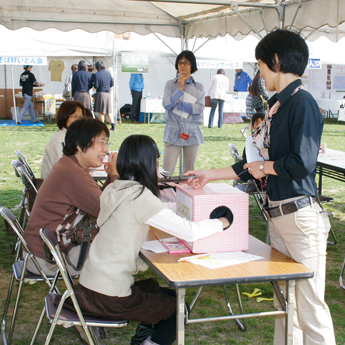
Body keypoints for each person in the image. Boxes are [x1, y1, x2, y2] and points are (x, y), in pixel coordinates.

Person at [185, 29, 335, 345]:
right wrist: (211, 174)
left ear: (276, 61)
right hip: (280, 218)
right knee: (285, 306)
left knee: (308, 310)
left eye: (261, 65)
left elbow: (301, 163)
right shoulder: (278, 106)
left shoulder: (302, 104)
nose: (260, 74)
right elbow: (253, 161)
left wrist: (264, 167)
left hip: (300, 219)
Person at [65, 134, 230, 345]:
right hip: (108, 296)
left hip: (90, 284)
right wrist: (223, 221)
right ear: (149, 162)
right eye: (157, 159)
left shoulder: (115, 188)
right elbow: (189, 231)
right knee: (179, 309)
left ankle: (143, 339)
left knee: (163, 293)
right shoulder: (140, 198)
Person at [23, 118, 119, 276]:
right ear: (80, 145)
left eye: (106, 142)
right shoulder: (73, 174)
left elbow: (99, 200)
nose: (106, 149)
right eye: (101, 142)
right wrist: (115, 174)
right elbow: (109, 210)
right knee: (121, 251)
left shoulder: (69, 166)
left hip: (42, 250)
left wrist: (110, 177)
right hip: (49, 258)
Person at [162, 50, 205, 177]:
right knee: (166, 171)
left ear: (192, 65)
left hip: (190, 132)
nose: (182, 65)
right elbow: (166, 104)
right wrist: (179, 89)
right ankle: (164, 194)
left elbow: (199, 108)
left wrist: (178, 104)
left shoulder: (199, 87)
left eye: (186, 63)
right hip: (173, 131)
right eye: (180, 62)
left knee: (188, 172)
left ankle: (185, 196)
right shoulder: (170, 84)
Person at [41, 100, 85, 179]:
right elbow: (64, 171)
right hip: (58, 186)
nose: (79, 120)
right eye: (74, 116)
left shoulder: (72, 137)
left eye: (81, 117)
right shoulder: (60, 141)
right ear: (64, 117)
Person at [93, 61, 116, 131]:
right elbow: (112, 84)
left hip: (101, 93)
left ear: (97, 67)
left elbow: (96, 86)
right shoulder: (108, 74)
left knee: (101, 112)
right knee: (108, 112)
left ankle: (102, 127)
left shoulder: (97, 75)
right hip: (107, 94)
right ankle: (113, 126)